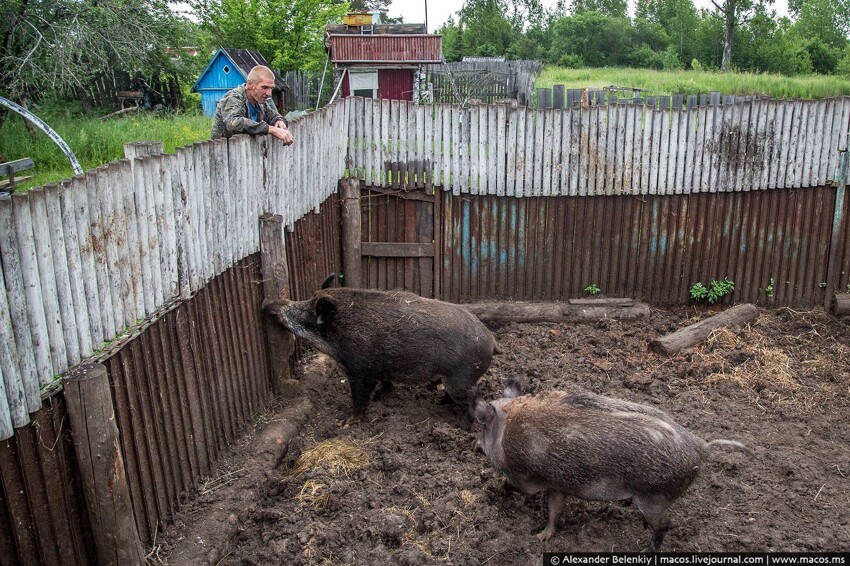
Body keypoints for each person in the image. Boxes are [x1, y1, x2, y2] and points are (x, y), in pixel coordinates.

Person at [211, 65, 294, 145]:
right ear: (250, 84)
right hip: (224, 152)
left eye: (271, 88)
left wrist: (279, 121)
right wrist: (270, 129)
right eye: (264, 87)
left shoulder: (259, 102)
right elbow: (234, 123)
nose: (269, 93)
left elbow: (273, 116)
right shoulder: (234, 98)